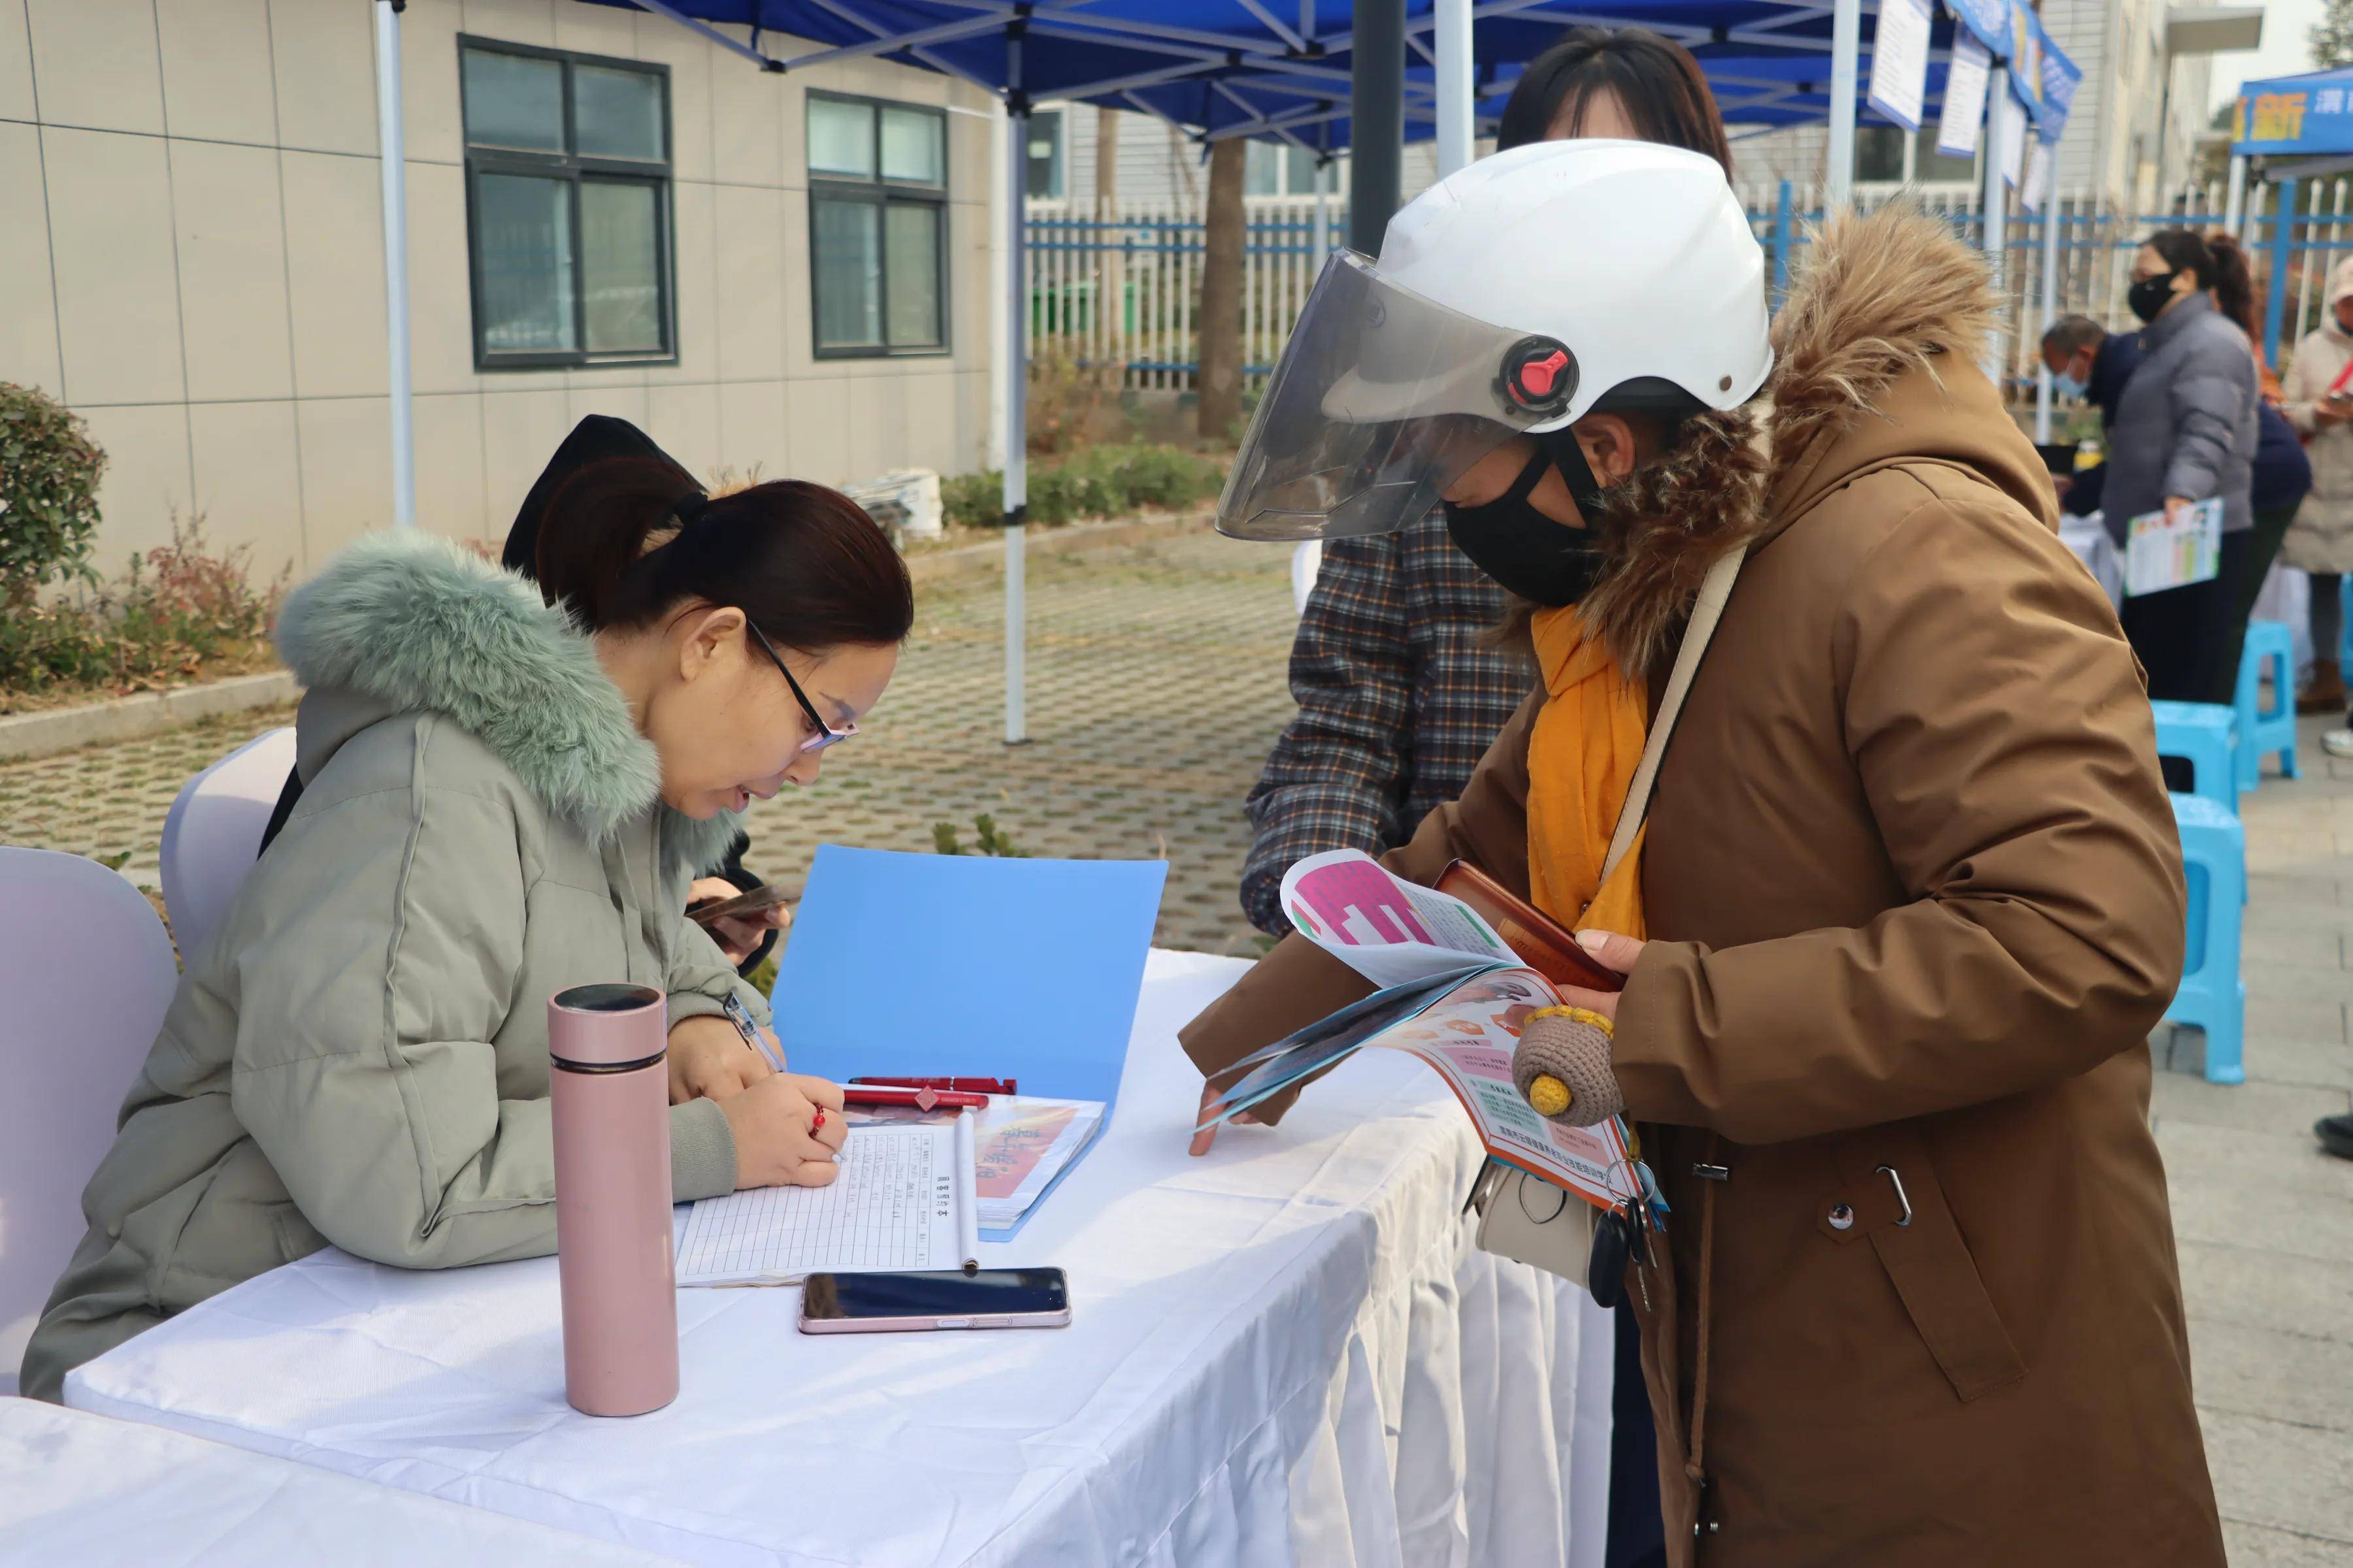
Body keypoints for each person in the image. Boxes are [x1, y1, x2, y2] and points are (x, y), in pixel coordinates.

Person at [1188, 140, 2221, 1560]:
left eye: (1454, 454)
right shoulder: (1672, 588)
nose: (1438, 498)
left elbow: (2085, 935)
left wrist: (1656, 1027)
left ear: (1594, 438)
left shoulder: (1918, 555)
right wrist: (1227, 1059)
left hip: (1955, 1369)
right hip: (1771, 1311)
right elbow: (1455, 870)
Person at [19, 423, 910, 1401]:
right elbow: (407, 1181)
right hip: (201, 1342)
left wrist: (696, 1017)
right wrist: (715, 1150)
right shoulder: (423, 797)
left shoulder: (617, 787)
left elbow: (623, 936)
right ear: (712, 641)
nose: (812, 765)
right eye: (820, 719)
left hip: (395, 1320)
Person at [1238, 25, 1734, 941]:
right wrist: (1322, 899)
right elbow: (1344, 721)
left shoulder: (1756, 461)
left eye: (1627, 185)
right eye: (1555, 180)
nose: (1590, 220)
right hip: (1457, 948)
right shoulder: (1430, 433)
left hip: (1673, 984)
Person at [2105, 229, 2262, 705]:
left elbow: (2208, 427)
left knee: (2179, 676)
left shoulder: (2210, 341)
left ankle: (2177, 777)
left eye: (2146, 275)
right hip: (2163, 531)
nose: (2138, 286)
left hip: (2188, 531)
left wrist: (2182, 495)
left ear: (2186, 277)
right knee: (2154, 668)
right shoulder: (2169, 342)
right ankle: (2157, 774)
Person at [2203, 235, 2312, 696]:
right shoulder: (2227, 331)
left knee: (2225, 611)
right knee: (2217, 609)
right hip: (2251, 475)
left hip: (2265, 478)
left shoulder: (2220, 337)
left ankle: (2217, 723)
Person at [2281, 258, 2353, 732]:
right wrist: (2316, 413)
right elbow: (2285, 408)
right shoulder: (2310, 347)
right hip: (2317, 486)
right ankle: (2326, 675)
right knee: (2321, 585)